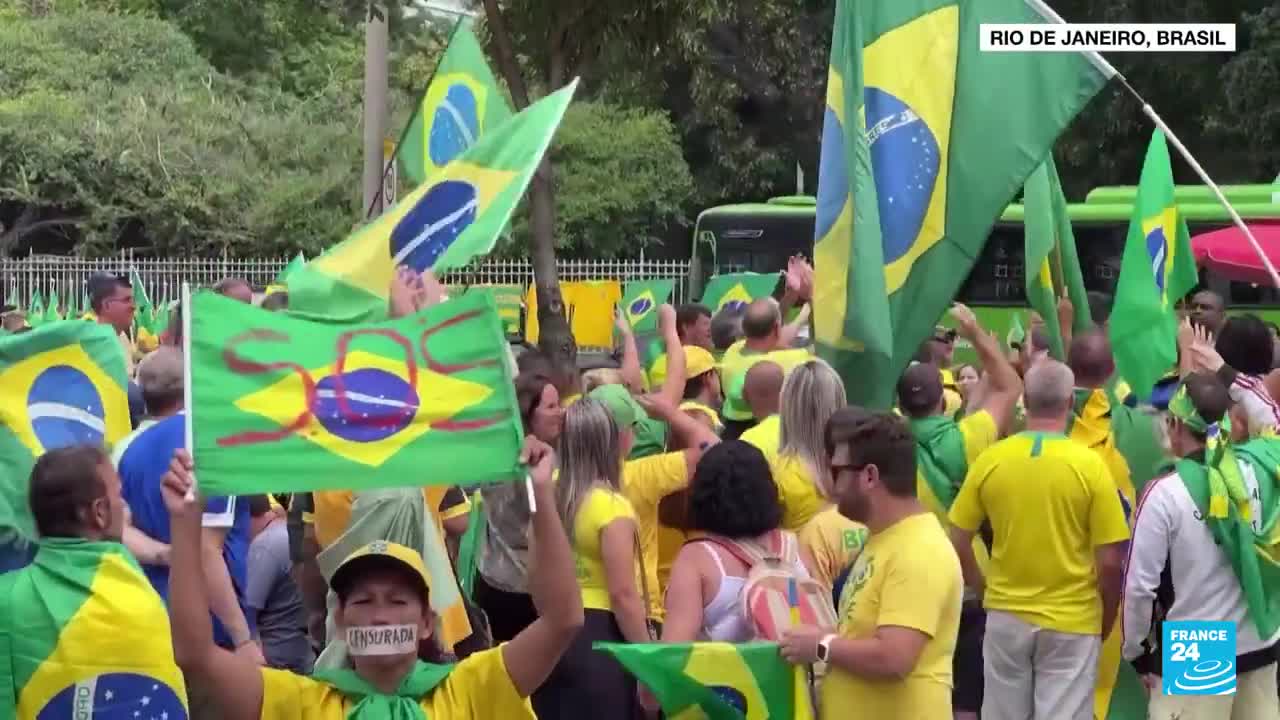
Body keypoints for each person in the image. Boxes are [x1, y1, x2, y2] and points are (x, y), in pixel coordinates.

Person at [159, 438, 585, 720]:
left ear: (425, 621)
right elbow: (195, 655)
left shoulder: (471, 688)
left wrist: (541, 498)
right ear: (341, 619)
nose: (381, 616)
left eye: (398, 601)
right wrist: (184, 523)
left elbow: (562, 619)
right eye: (363, 602)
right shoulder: (304, 702)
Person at [949, 360, 1129, 720]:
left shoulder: (990, 460)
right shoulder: (1091, 466)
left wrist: (983, 587)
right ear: (1068, 403)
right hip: (1073, 621)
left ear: (1025, 401)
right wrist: (1106, 617)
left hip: (1005, 617)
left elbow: (957, 538)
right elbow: (1111, 562)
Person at [780, 410, 962, 720]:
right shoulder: (885, 538)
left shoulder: (918, 551)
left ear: (869, 476)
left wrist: (821, 646)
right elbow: (869, 633)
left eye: (836, 471)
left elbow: (894, 658)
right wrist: (822, 635)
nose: (830, 484)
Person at [1123, 373, 1280, 720]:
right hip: (1262, 637)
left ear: (1175, 424)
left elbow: (1138, 589)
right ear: (1229, 421)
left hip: (1198, 643)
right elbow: (1272, 417)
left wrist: (1136, 653)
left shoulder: (1164, 493)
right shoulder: (1264, 465)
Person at [900, 304, 1021, 720]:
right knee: (968, 699)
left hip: (907, 582)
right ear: (944, 398)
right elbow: (1009, 386)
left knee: (917, 691)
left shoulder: (884, 442)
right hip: (969, 582)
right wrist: (974, 332)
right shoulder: (969, 438)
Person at [534, 399, 649, 719]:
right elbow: (623, 594)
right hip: (602, 637)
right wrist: (649, 658)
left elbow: (533, 570)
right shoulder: (611, 507)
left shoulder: (546, 495)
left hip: (549, 632)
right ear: (609, 443)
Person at [662, 441, 815, 643]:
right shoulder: (793, 548)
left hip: (724, 674)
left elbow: (675, 650)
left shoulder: (697, 558)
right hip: (793, 672)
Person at [475, 372, 564, 643]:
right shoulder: (514, 462)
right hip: (513, 590)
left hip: (523, 583)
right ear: (527, 415)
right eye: (551, 407)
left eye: (559, 404)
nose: (561, 413)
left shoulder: (551, 454)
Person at [718, 298, 811, 439]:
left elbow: (775, 336)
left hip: (732, 431)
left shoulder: (733, 351)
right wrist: (809, 306)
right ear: (776, 328)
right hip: (773, 437)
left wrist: (791, 298)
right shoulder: (787, 361)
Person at [246, 495, 314, 674]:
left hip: (275, 661)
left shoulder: (265, 546)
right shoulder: (289, 532)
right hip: (303, 653)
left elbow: (247, 610)